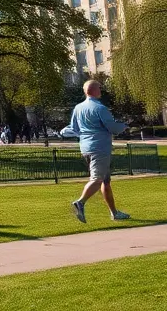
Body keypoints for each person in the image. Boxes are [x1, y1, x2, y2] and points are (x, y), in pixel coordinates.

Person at [61, 78, 130, 223]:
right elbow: (112, 127)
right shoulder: (100, 108)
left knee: (105, 182)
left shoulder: (78, 108)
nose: (101, 90)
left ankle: (114, 213)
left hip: (85, 147)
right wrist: (124, 125)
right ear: (94, 90)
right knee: (97, 179)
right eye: (99, 88)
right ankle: (80, 202)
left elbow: (74, 128)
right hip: (100, 148)